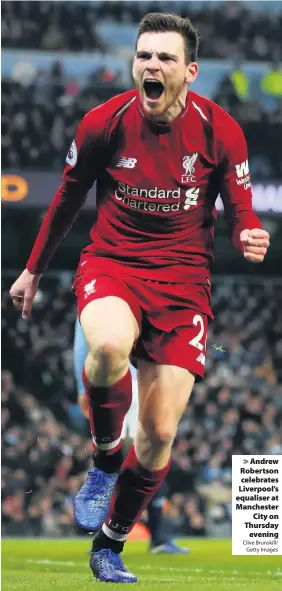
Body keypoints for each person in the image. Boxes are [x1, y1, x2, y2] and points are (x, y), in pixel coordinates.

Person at [10, 12, 270, 583]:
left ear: (190, 71)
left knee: (156, 438)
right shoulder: (103, 123)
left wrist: (246, 234)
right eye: (144, 55)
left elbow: (240, 209)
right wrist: (33, 270)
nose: (151, 65)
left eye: (165, 58)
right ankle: (104, 458)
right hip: (114, 264)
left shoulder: (220, 129)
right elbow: (66, 200)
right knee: (104, 349)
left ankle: (111, 542)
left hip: (184, 287)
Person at [73, 316, 190, 554]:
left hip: (128, 384)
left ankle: (146, 535)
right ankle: (140, 536)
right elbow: (81, 344)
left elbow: (80, 345)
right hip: (128, 384)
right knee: (137, 459)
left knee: (135, 459)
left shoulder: (104, 296)